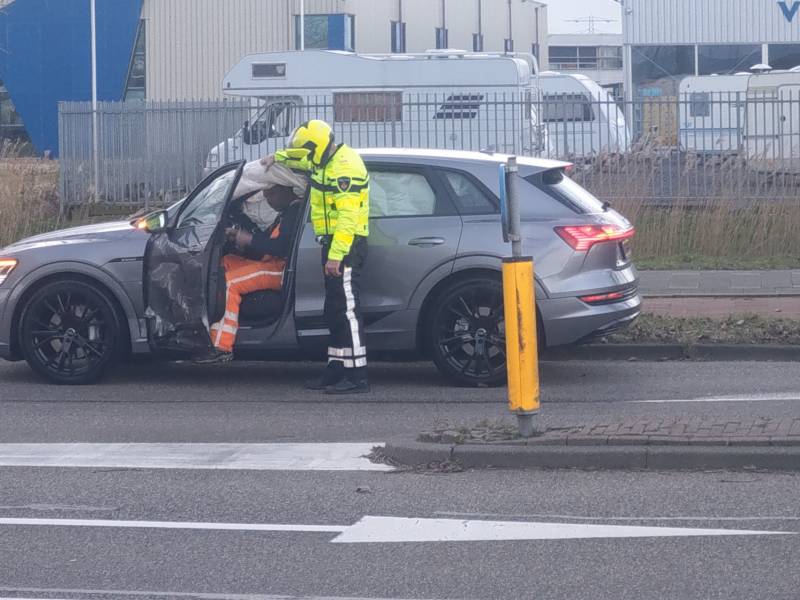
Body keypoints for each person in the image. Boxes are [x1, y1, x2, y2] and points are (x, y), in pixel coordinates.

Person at [272, 119, 370, 394]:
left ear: (317, 148)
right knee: (335, 310)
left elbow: (348, 219)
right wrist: (275, 157)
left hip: (346, 246)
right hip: (334, 245)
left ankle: (358, 376)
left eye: (307, 151)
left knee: (348, 312)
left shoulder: (345, 169)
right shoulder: (325, 160)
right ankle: (337, 367)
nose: (305, 158)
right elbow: (300, 159)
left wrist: (336, 256)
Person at [194, 181, 304, 364]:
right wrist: (240, 238)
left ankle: (221, 346)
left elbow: (280, 247)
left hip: (280, 269)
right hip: (270, 263)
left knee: (229, 282)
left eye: (272, 194)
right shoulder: (286, 212)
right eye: (266, 195)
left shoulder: (294, 212)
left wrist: (248, 239)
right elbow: (267, 242)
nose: (268, 199)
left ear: (286, 189)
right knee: (224, 263)